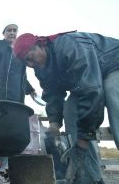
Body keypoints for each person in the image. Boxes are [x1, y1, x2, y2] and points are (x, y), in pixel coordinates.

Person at [11, 31, 119, 184]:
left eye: (29, 58)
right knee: (70, 109)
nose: (30, 64)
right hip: (94, 78)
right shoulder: (41, 68)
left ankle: (82, 151)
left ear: (40, 46)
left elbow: (92, 91)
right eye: (25, 63)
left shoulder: (69, 46)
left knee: (112, 90)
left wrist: (83, 141)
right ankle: (91, 178)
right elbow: (53, 94)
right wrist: (54, 124)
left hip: (114, 64)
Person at [0, 23, 36, 103]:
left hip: (16, 100)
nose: (12, 33)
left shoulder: (19, 52)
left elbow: (20, 75)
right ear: (4, 33)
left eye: (14, 30)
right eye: (9, 30)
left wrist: (30, 90)